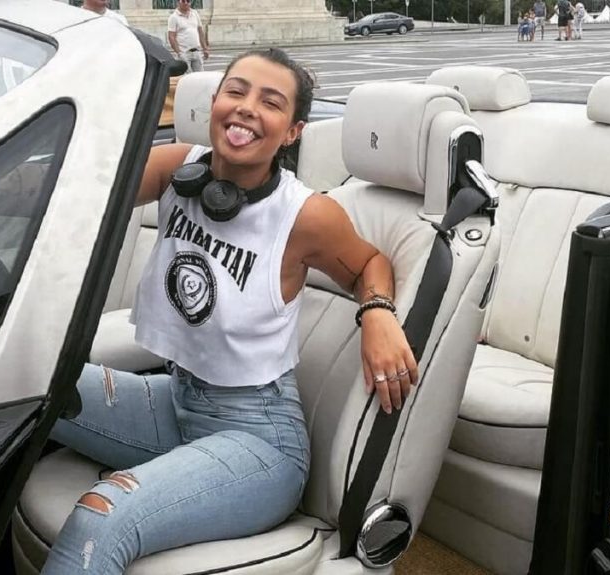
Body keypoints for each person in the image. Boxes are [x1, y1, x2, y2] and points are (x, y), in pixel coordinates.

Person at [39, 48, 417, 575]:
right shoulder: (179, 169)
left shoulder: (304, 215)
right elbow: (84, 188)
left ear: (292, 132)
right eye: (235, 91)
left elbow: (368, 264)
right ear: (215, 102)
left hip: (259, 442)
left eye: (271, 102)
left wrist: (376, 312)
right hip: (176, 401)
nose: (246, 108)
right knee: (28, 382)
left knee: (100, 517)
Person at [168, 0, 209, 73]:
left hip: (197, 52)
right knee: (187, 77)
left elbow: (200, 32)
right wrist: (179, 53)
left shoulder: (195, 13)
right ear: (178, 2)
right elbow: (171, 37)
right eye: (183, 1)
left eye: (188, 1)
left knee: (200, 76)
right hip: (184, 53)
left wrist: (205, 48)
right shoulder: (173, 17)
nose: (186, 3)